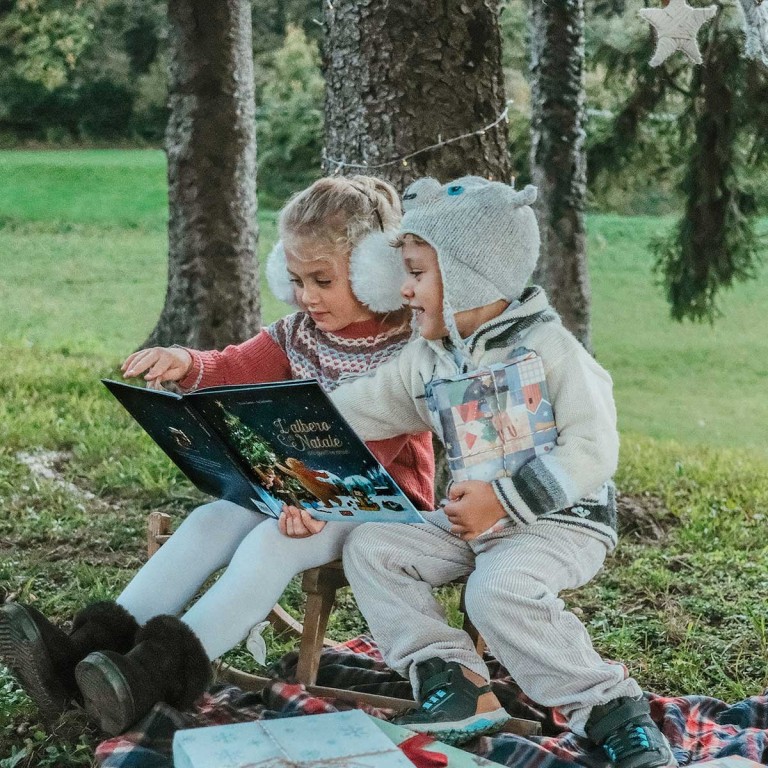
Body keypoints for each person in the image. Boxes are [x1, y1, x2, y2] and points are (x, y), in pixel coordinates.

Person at [0, 175, 435, 737]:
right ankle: (83, 655)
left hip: (378, 508)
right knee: (210, 519)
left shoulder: (410, 349)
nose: (307, 296)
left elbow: (374, 449)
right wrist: (186, 363)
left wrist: (317, 496)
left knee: (269, 544)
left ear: (375, 272)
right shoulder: (299, 331)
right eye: (296, 279)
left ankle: (155, 675)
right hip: (295, 492)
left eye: (323, 281)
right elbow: (232, 364)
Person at [329, 176, 676, 768]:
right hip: (473, 526)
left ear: (469, 276)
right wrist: (285, 420)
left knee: (498, 592)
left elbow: (593, 449)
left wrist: (507, 502)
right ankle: (455, 684)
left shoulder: (548, 348)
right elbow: (359, 407)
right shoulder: (429, 357)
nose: (404, 291)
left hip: (558, 522)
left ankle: (613, 708)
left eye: (417, 274)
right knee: (374, 546)